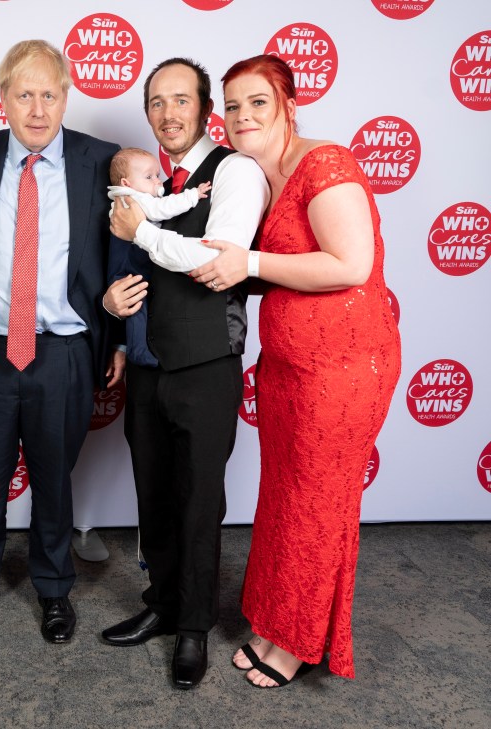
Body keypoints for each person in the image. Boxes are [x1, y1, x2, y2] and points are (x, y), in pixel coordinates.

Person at [189, 54, 401, 687]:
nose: (242, 116)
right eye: (231, 106)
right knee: (284, 497)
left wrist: (248, 263)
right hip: (288, 368)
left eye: (258, 102)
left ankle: (299, 641)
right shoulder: (258, 173)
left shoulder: (325, 163)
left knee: (316, 502)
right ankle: (274, 617)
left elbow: (349, 265)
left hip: (343, 369)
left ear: (288, 105)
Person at [0, 40, 120, 643]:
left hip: (64, 352)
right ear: (3, 99)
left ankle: (55, 588)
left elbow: (122, 258)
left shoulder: (100, 160)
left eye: (50, 94)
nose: (37, 108)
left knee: (55, 480)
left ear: (66, 98)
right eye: (24, 94)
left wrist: (114, 341)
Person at [103, 58, 269, 690]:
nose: (168, 114)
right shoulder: (143, 178)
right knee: (154, 492)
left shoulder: (234, 172)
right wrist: (109, 305)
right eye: (156, 103)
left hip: (205, 364)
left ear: (205, 108)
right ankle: (165, 602)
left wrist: (141, 230)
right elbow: (119, 268)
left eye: (181, 100)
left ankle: (195, 624)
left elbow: (213, 262)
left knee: (200, 500)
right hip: (147, 363)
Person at [106, 147, 211, 367]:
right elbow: (161, 209)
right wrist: (193, 195)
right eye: (149, 177)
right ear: (127, 183)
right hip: (133, 263)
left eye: (157, 175)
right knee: (137, 307)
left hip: (126, 265)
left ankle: (135, 348)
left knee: (137, 309)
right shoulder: (136, 200)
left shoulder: (122, 199)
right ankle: (137, 351)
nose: (157, 182)